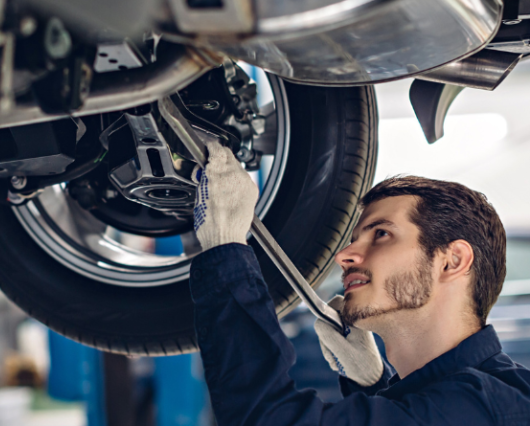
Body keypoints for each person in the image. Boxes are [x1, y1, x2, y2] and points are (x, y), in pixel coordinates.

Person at [189, 141, 530, 425]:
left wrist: (226, 248)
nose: (345, 255)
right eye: (353, 239)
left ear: (452, 261)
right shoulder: (491, 395)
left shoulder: (479, 407)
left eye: (381, 234)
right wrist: (370, 382)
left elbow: (269, 419)